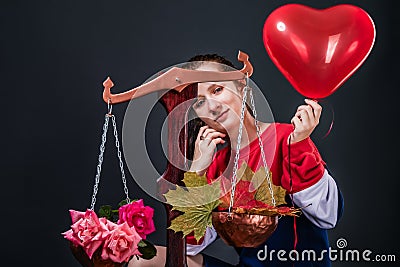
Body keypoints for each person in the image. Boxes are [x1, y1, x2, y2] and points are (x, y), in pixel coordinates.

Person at [130, 53, 343, 267]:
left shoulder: (288, 138)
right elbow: (190, 248)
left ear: (242, 88)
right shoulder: (216, 166)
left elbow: (327, 215)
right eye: (200, 102)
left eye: (217, 90)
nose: (212, 107)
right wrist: (197, 174)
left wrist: (299, 144)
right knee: (143, 260)